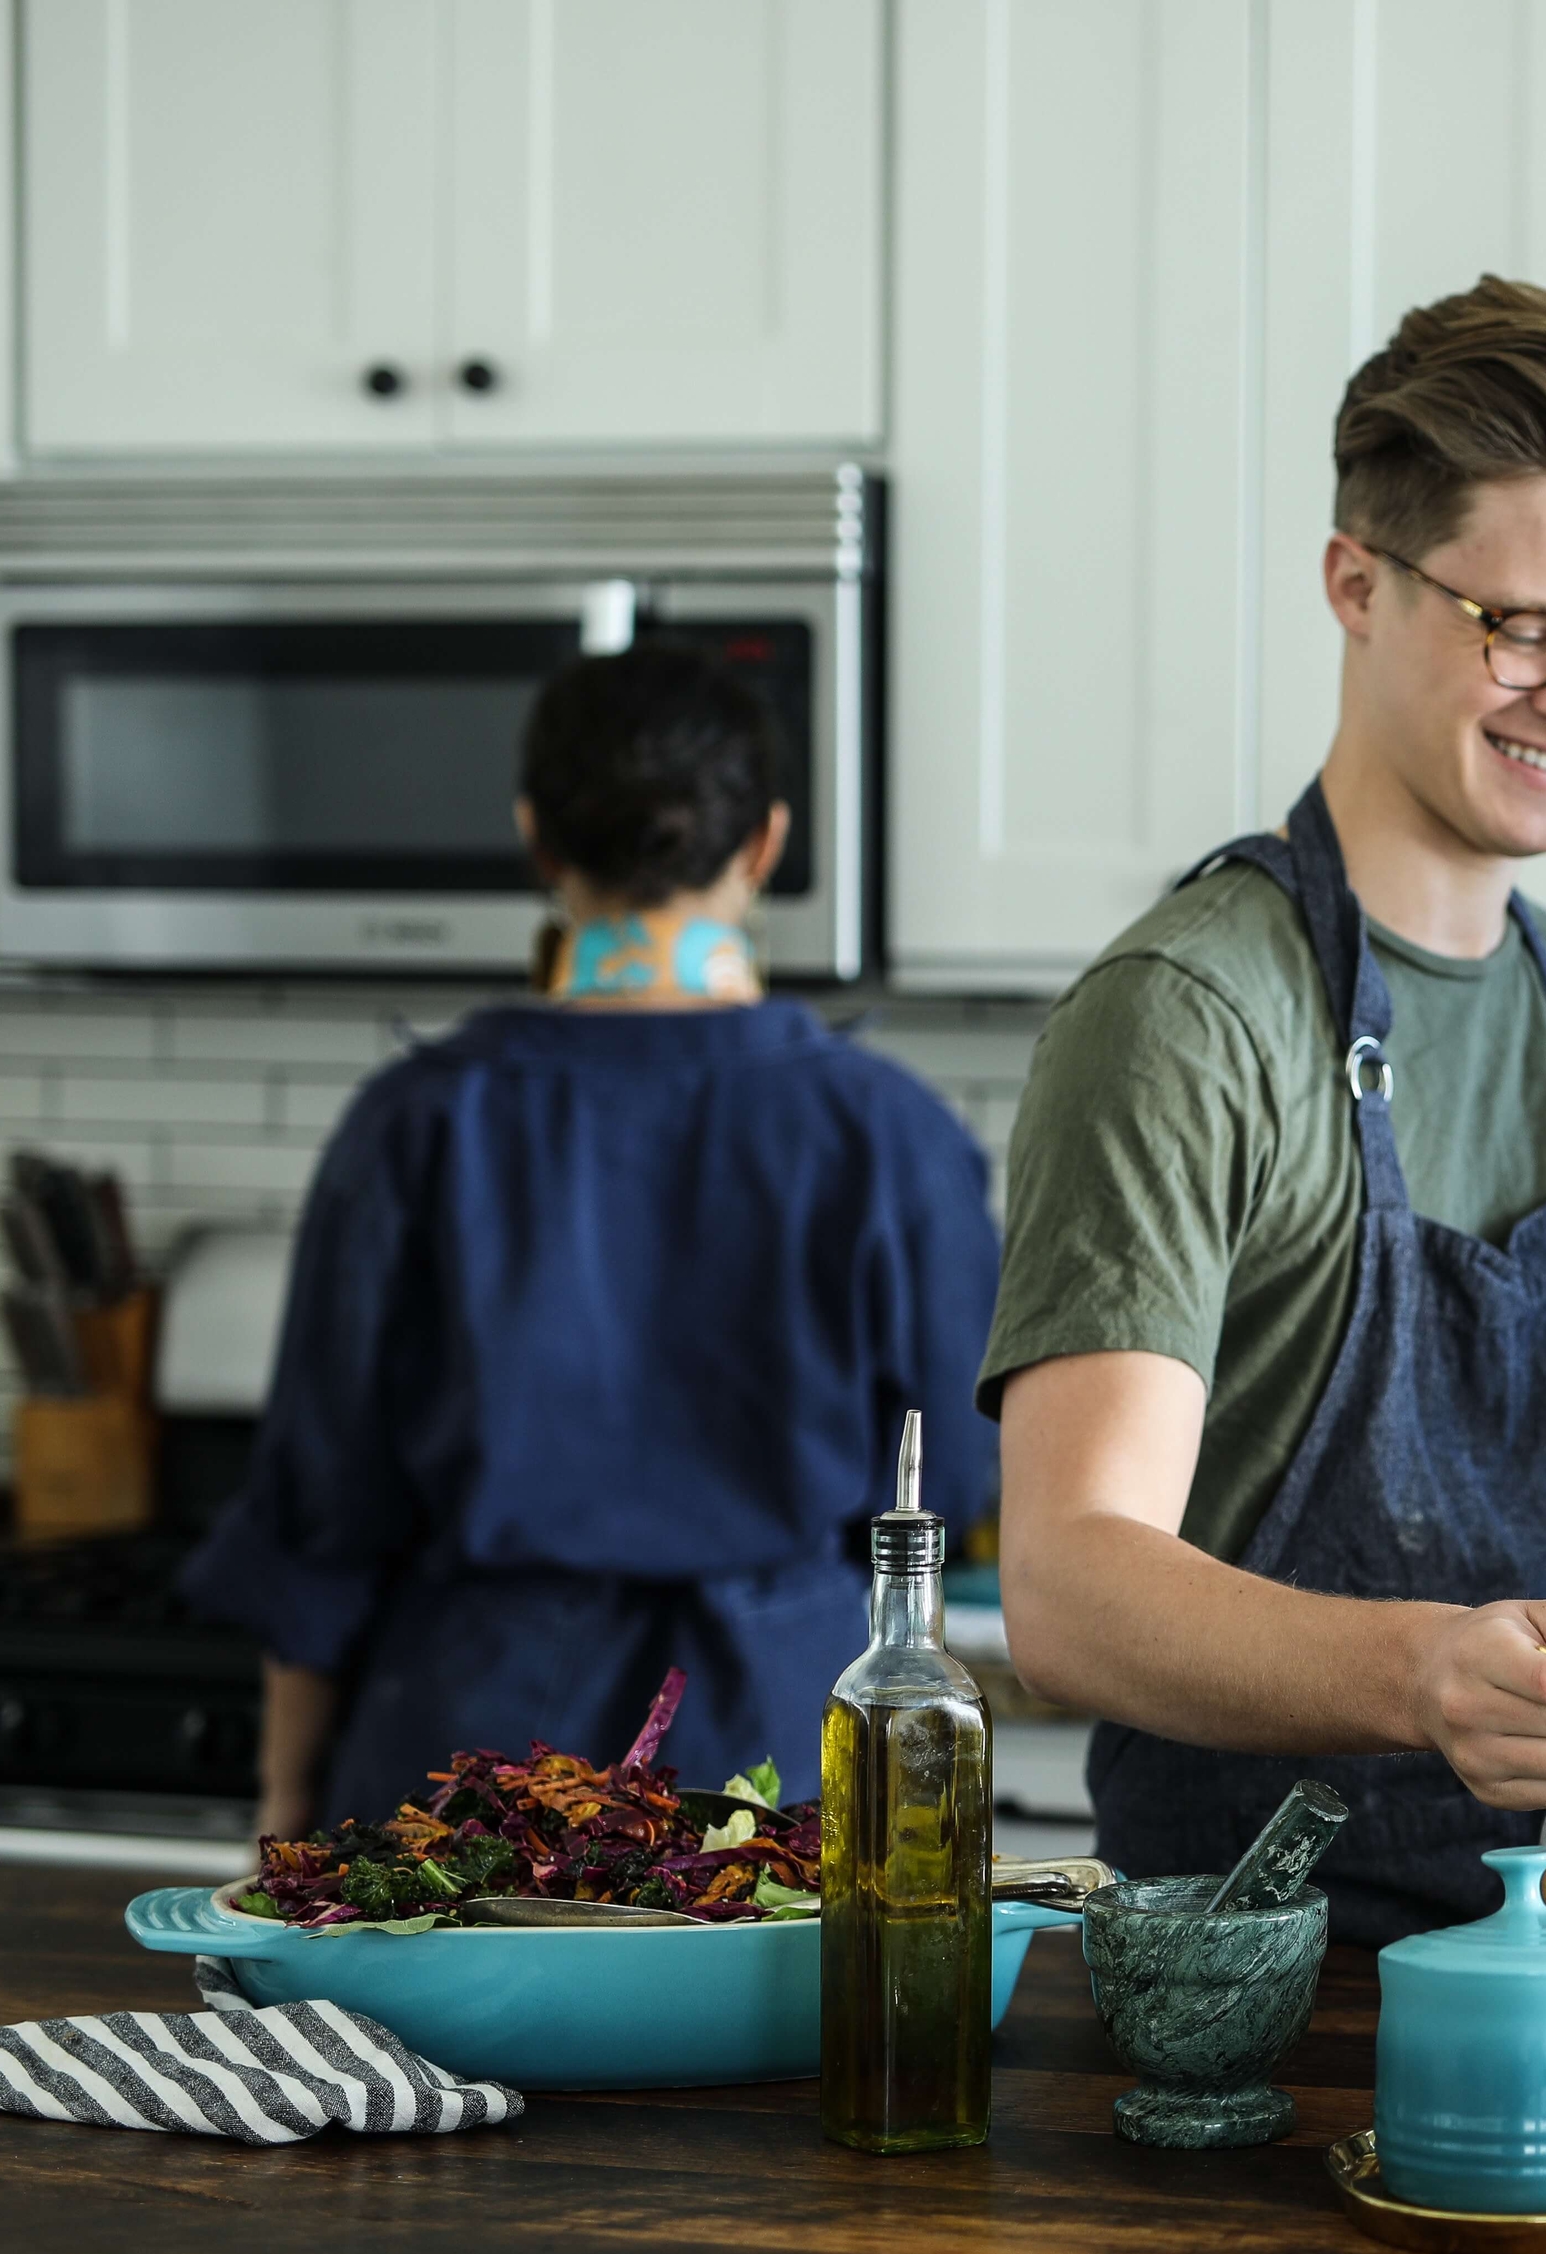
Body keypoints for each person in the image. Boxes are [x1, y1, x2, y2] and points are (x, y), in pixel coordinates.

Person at [984, 275, 1546, 2002]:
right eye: (1526, 627)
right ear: (1358, 581)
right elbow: (1064, 1582)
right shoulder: (1191, 1013)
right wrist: (1429, 1670)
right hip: (1251, 2010)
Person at [187, 644, 1001, 1836]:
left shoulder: (417, 1124)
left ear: (537, 841)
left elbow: (322, 1519)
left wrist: (286, 1811)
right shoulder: (890, 1136)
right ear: (766, 844)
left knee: (412, 2039)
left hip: (465, 1768)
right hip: (782, 1764)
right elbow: (960, 1479)